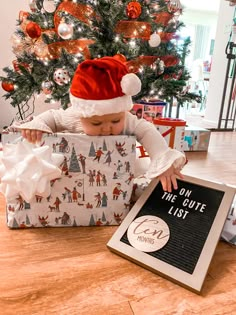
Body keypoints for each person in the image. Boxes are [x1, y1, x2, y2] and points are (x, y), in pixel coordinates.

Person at [18, 56, 186, 192]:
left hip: (119, 176)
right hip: (78, 177)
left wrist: (161, 159)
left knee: (138, 178)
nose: (107, 128)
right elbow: (53, 117)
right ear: (82, 115)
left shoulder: (126, 119)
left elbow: (147, 130)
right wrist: (38, 125)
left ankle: (134, 191)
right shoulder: (74, 116)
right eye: (97, 123)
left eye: (115, 120)